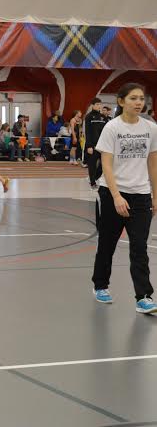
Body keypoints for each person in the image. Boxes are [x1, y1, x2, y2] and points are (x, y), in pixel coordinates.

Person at [92, 83, 157, 314]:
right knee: (107, 244)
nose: (139, 102)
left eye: (141, 98)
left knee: (139, 246)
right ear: (121, 101)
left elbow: (152, 163)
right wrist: (116, 195)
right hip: (112, 193)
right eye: (133, 98)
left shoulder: (150, 128)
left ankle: (144, 296)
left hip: (140, 195)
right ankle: (100, 285)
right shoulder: (112, 128)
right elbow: (106, 165)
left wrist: (155, 195)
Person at [84, 98, 109, 189]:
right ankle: (92, 183)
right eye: (97, 104)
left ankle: (94, 178)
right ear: (93, 105)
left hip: (102, 146)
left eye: (100, 104)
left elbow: (107, 132)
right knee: (92, 165)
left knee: (104, 165)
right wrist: (89, 146)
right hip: (93, 146)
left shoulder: (103, 117)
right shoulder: (89, 117)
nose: (99, 106)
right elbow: (88, 132)